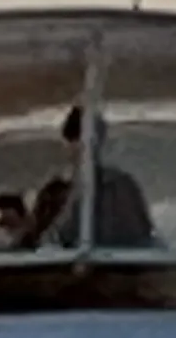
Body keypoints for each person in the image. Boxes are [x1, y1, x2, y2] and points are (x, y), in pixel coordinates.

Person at [22, 104, 156, 252]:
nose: (83, 146)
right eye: (77, 137)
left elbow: (144, 235)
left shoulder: (121, 185)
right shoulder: (53, 193)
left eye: (90, 138)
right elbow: (39, 242)